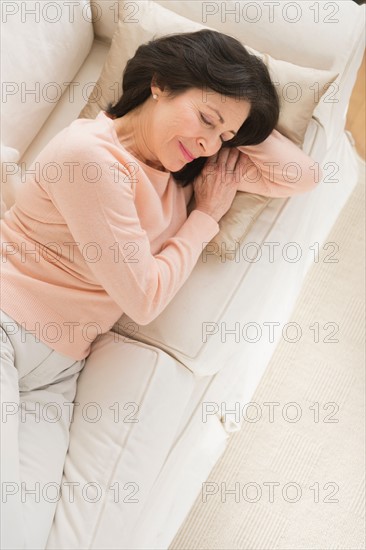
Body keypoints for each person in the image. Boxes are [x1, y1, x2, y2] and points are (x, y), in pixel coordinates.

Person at [0, 29, 320, 549]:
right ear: (160, 84)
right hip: (7, 329)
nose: (210, 143)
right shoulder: (91, 155)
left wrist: (243, 117)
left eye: (224, 138)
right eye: (205, 119)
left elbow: (302, 176)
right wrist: (205, 219)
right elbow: (143, 298)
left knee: (23, 538)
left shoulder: (184, 173)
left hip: (54, 373)